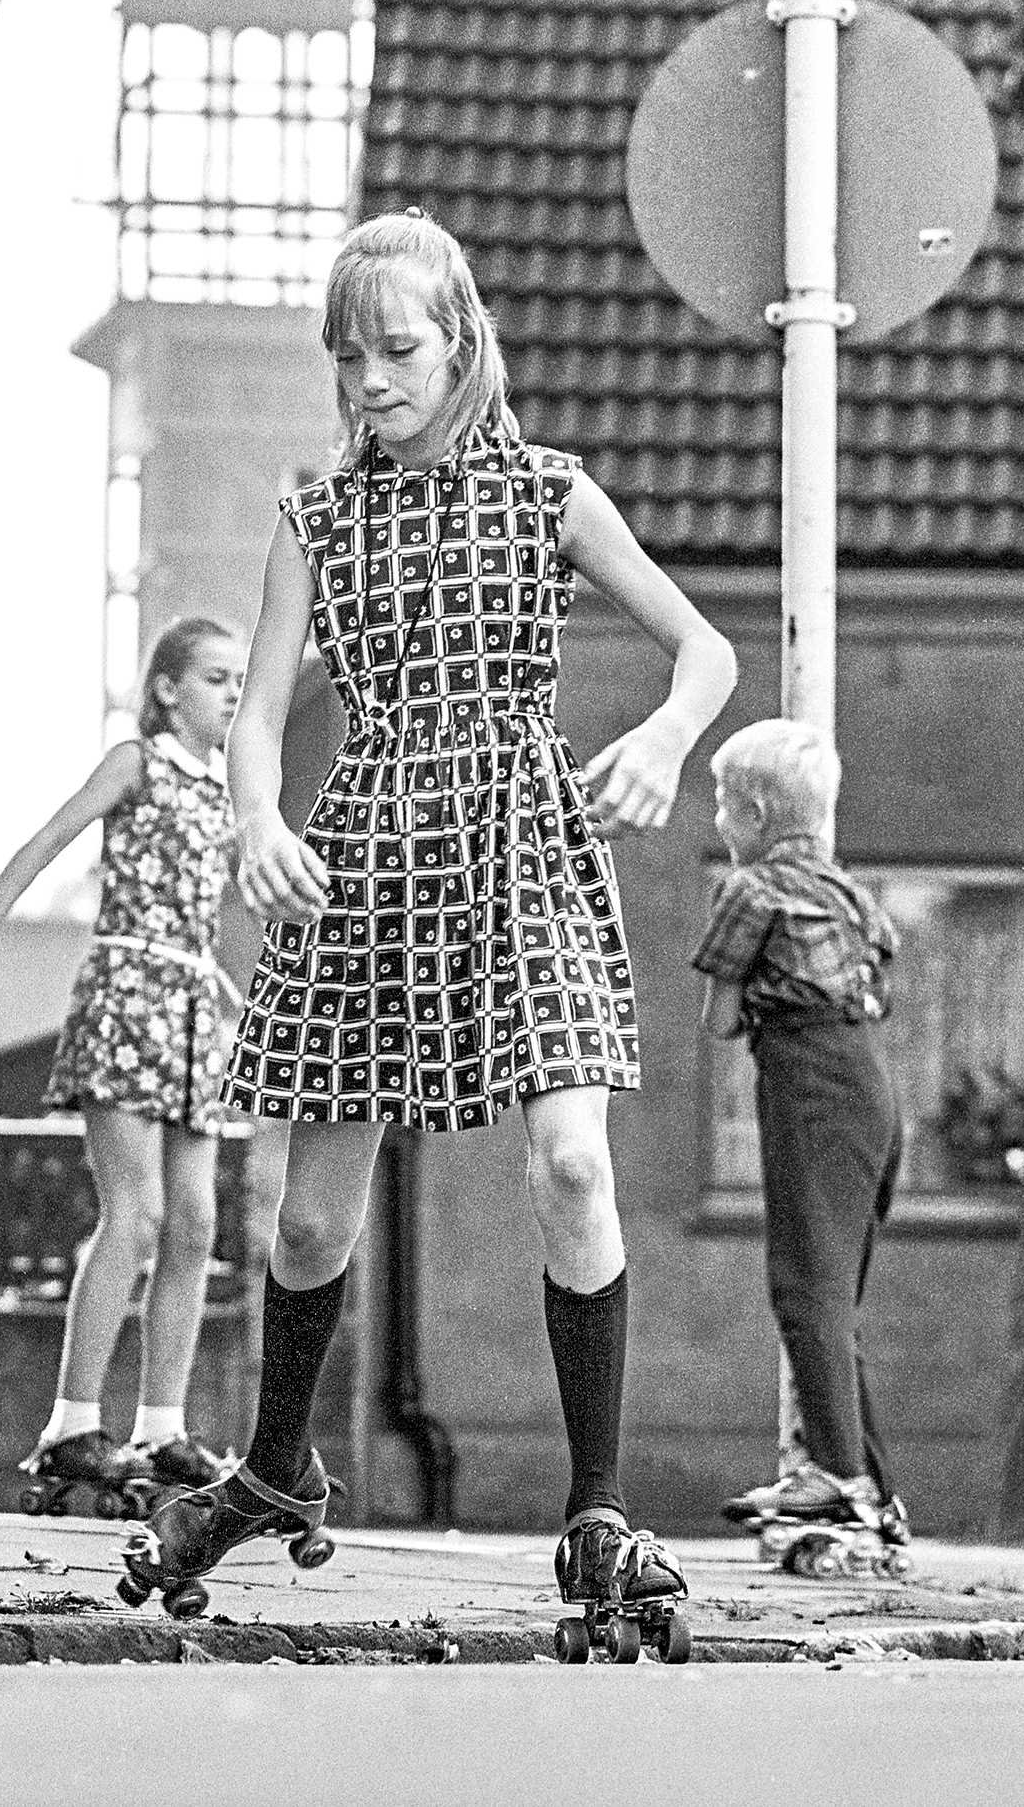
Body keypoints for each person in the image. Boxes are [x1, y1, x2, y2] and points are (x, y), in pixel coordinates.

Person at [129, 211, 738, 1642]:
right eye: (343, 355)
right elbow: (261, 706)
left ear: (456, 338)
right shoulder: (313, 517)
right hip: (363, 849)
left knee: (573, 1159)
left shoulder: (546, 491)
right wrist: (254, 816)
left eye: (392, 348)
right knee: (305, 1214)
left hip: (520, 840)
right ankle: (277, 1465)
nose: (364, 380)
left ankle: (592, 1507)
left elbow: (703, 647)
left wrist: (662, 734)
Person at [0, 616, 249, 1510]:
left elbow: (208, 909)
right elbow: (49, 838)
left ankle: (161, 1424)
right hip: (124, 990)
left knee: (193, 1221)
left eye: (238, 680)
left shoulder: (228, 789)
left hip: (190, 1004)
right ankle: (71, 1423)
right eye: (217, 678)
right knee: (135, 1214)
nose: (232, 693)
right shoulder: (135, 760)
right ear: (166, 690)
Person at [693, 719, 906, 1545]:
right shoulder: (851, 893)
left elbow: (717, 1022)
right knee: (833, 1293)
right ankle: (872, 1491)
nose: (716, 819)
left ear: (750, 811)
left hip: (808, 1084)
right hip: (871, 1084)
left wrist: (750, 1002)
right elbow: (878, 975)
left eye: (719, 803)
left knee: (803, 1287)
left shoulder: (749, 891)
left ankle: (835, 1477)